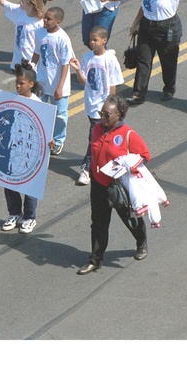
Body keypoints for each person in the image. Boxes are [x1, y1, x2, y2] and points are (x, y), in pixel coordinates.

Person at [77, 95, 150, 275]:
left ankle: (141, 242)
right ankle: (95, 259)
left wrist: (126, 166)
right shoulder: (97, 129)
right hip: (98, 184)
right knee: (98, 223)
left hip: (118, 186)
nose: (102, 117)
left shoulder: (127, 134)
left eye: (107, 115)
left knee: (129, 218)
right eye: (101, 113)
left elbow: (144, 155)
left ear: (119, 115)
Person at [128, 0, 183, 105]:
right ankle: (138, 93)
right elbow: (145, 4)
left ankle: (168, 88)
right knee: (143, 60)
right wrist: (136, 22)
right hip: (147, 26)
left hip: (166, 29)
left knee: (168, 61)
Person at [69, 26, 123, 185]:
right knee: (97, 136)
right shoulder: (87, 58)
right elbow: (83, 82)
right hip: (92, 106)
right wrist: (79, 70)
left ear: (104, 40)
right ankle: (94, 165)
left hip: (104, 106)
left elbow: (113, 84)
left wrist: (111, 105)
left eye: (95, 39)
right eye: (91, 39)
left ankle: (89, 167)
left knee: (98, 137)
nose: (92, 42)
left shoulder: (110, 60)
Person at [0, 61, 43, 233]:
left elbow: (44, 130)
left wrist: (50, 142)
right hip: (14, 148)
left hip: (30, 151)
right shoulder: (10, 99)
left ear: (31, 84)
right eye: (16, 82)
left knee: (30, 184)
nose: (18, 86)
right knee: (9, 180)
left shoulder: (38, 104)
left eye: (21, 83)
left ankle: (30, 217)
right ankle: (14, 213)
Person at [31, 6, 74, 156]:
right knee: (37, 110)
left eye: (49, 19)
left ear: (58, 21)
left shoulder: (63, 38)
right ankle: (40, 138)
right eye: (45, 17)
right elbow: (36, 54)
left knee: (60, 115)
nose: (45, 21)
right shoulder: (40, 33)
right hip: (42, 81)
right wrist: (30, 71)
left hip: (57, 84)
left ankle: (58, 140)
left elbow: (65, 64)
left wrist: (60, 87)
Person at [0, 0, 44, 74]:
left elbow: (41, 43)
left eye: (23, 1)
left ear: (31, 6)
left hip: (30, 62)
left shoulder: (39, 22)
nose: (20, 2)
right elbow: (4, 3)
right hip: (17, 61)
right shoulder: (20, 11)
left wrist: (34, 63)